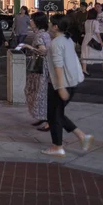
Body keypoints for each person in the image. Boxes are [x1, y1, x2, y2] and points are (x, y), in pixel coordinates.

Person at [42, 14, 93, 157]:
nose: (50, 25)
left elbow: (58, 65)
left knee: (54, 116)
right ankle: (81, 136)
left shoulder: (57, 42)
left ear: (56, 26)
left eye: (51, 23)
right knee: (55, 114)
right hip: (71, 81)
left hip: (62, 83)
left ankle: (58, 146)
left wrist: (60, 87)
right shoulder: (67, 39)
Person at [21, 12, 52, 131]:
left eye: (32, 20)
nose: (30, 21)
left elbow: (43, 51)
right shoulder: (45, 34)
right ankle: (43, 116)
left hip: (40, 67)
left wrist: (28, 47)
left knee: (38, 91)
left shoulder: (39, 35)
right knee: (40, 91)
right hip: (44, 66)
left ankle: (48, 119)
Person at [81, 8, 103, 76]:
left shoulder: (86, 22)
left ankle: (84, 69)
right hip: (94, 38)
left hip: (86, 39)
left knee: (85, 53)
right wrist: (101, 42)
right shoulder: (95, 22)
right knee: (101, 52)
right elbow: (97, 33)